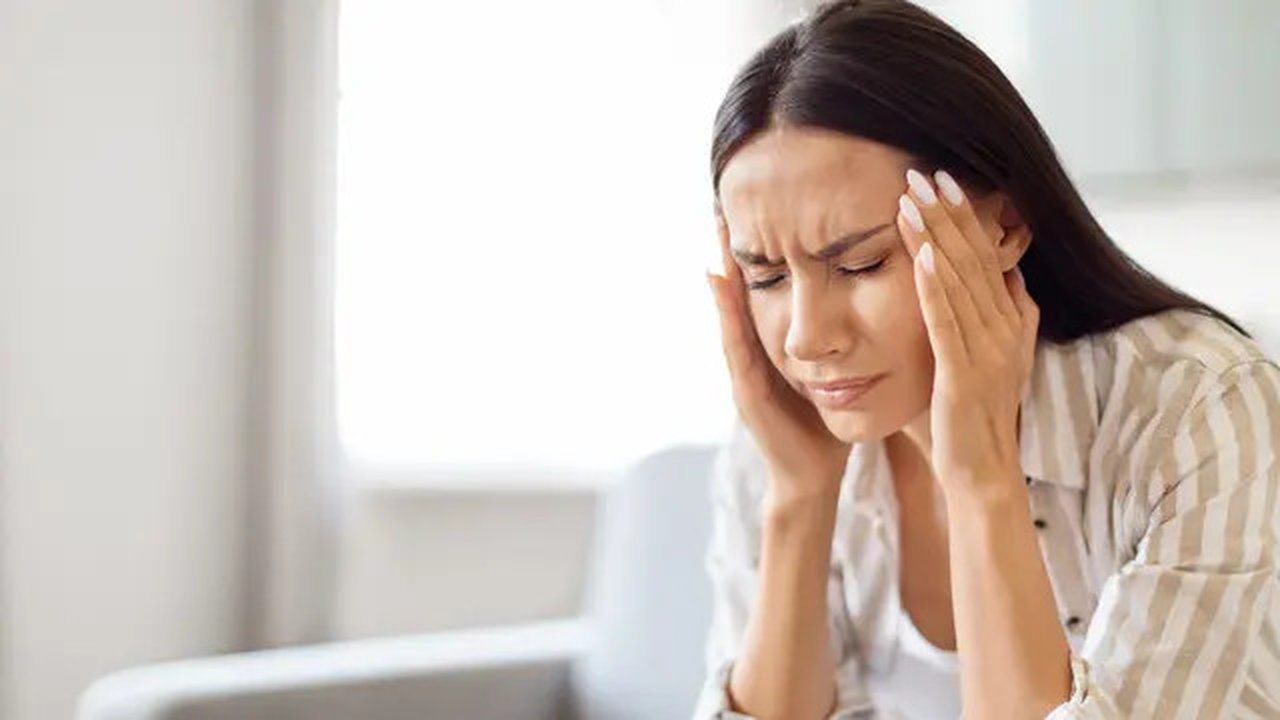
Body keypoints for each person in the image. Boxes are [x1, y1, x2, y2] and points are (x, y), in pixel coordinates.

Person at [696, 1, 1280, 718]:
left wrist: (982, 479)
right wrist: (799, 499)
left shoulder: (1199, 411)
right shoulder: (785, 436)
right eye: (766, 278)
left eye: (861, 264)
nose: (806, 340)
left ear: (1003, 225)